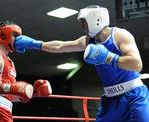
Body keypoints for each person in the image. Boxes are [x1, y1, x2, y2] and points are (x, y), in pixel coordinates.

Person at [14, 5, 149, 122]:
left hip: (134, 95)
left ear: (96, 20)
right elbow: (60, 46)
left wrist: (107, 57)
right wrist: (35, 44)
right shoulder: (87, 41)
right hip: (110, 100)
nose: (81, 26)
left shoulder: (119, 35)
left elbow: (136, 64)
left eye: (84, 22)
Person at [0, 21, 52, 122]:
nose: (19, 39)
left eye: (20, 36)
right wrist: (10, 88)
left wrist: (32, 93)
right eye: (15, 35)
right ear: (2, 36)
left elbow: (9, 93)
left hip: (4, 109)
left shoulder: (10, 62)